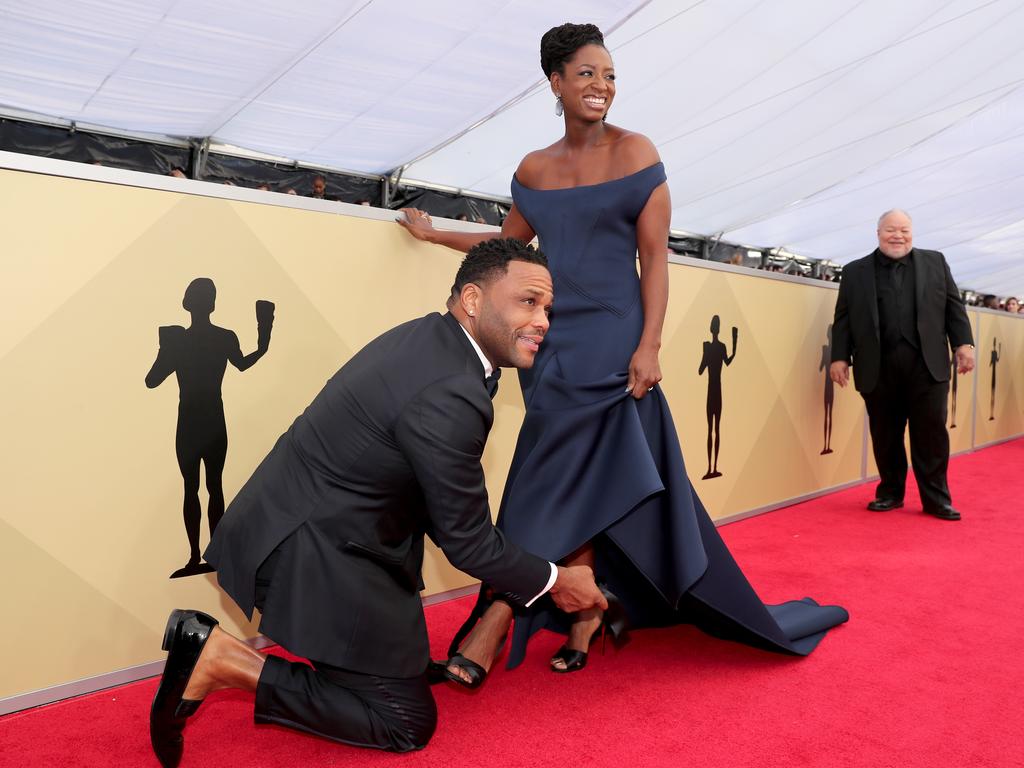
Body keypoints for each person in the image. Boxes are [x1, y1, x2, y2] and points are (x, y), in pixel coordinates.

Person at [399, 22, 847, 685]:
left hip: (614, 343)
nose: (600, 87)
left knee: (569, 479)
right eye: (585, 74)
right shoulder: (534, 168)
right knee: (569, 479)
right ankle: (582, 610)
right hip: (550, 345)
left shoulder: (639, 154)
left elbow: (654, 262)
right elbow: (508, 248)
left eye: (609, 76)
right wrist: (435, 236)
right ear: (555, 82)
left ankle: (495, 618)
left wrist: (649, 345)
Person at [149, 239, 607, 766]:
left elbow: (437, 503)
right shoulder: (452, 388)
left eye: (548, 309)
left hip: (331, 528)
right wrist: (555, 580)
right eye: (528, 302)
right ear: (474, 300)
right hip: (312, 550)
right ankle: (221, 658)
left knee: (404, 672)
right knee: (405, 721)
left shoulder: (433, 340)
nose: (543, 320)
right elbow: (467, 541)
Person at [830, 209, 975, 521]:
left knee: (931, 433)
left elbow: (954, 306)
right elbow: (842, 318)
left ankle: (937, 500)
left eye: (904, 230)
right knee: (885, 434)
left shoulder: (935, 261)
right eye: (891, 230)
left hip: (927, 366)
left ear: (913, 232)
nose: (898, 236)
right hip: (877, 367)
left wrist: (964, 343)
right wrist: (839, 357)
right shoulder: (854, 271)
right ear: (878, 232)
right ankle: (890, 493)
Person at [145, 279, 274, 577]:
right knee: (213, 487)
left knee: (193, 488)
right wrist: (264, 341)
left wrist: (165, 348)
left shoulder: (179, 341)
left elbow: (152, 379)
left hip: (190, 421)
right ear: (212, 304)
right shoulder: (223, 337)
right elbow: (243, 363)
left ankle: (195, 556)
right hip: (213, 419)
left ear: (186, 303)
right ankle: (211, 553)